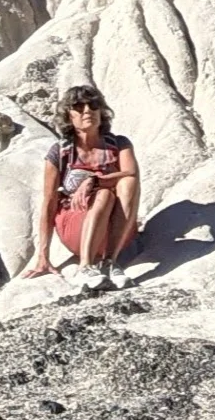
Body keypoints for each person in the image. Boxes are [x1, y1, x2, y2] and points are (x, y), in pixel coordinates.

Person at [21, 84, 139, 286]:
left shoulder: (119, 144)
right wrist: (43, 256)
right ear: (68, 116)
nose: (87, 111)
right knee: (104, 195)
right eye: (78, 107)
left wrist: (94, 180)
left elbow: (131, 173)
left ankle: (109, 263)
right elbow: (49, 202)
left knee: (127, 182)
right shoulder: (60, 152)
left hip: (117, 230)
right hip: (77, 223)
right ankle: (85, 266)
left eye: (93, 105)